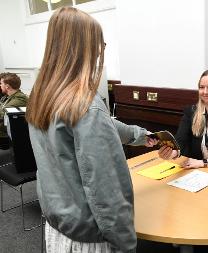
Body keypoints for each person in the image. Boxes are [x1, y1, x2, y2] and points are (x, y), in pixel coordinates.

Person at [26, 7, 156, 253]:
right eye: (100, 44)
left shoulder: (42, 96)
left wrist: (140, 135)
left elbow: (103, 125)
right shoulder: (86, 105)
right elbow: (107, 193)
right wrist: (126, 245)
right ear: (85, 47)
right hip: (89, 240)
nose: (101, 51)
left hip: (58, 228)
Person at [0, 72, 28, 149]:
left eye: (1, 83)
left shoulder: (20, 99)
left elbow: (2, 114)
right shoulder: (6, 97)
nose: (0, 86)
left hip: (7, 136)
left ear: (7, 86)